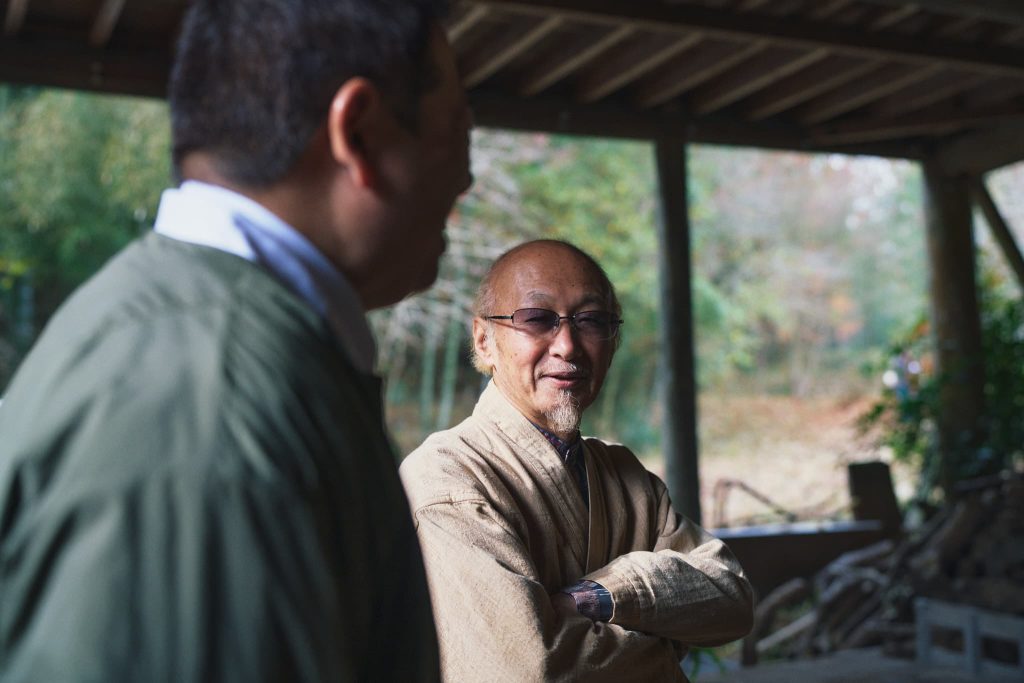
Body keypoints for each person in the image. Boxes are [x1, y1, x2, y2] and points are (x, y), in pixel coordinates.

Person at [0, 1, 471, 680]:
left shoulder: (187, 333)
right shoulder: (208, 416)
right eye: (456, 132)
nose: (465, 177)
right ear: (359, 134)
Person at [400, 240, 754, 682]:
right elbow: (529, 670)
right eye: (537, 319)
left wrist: (604, 594)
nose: (567, 346)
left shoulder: (624, 476)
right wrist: (663, 645)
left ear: (613, 340)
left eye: (591, 321)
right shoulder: (446, 478)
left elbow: (732, 598)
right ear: (484, 340)